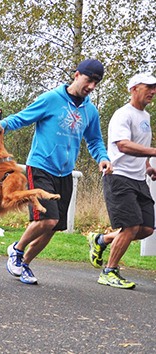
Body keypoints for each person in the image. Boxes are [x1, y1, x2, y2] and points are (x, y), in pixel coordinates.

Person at [1, 58, 112, 285]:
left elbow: (95, 140)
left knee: (54, 226)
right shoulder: (52, 99)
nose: (91, 86)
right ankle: (16, 249)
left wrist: (103, 158)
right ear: (77, 75)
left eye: (96, 83)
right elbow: (22, 117)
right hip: (41, 166)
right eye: (89, 80)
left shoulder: (90, 110)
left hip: (65, 173)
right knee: (48, 219)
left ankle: (24, 264)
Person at [87, 73, 156, 289]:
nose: (153, 91)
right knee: (130, 226)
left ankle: (102, 240)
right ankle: (109, 271)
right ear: (134, 89)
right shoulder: (122, 115)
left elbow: (139, 144)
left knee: (146, 229)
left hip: (138, 179)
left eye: (155, 88)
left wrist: (148, 167)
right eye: (149, 87)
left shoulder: (145, 116)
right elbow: (123, 145)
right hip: (119, 177)